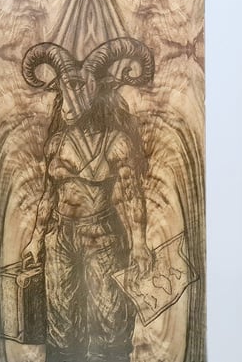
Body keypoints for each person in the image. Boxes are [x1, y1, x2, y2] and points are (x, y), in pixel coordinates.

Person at [20, 38, 154, 362]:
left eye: (80, 88)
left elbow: (131, 193)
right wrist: (36, 239)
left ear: (98, 91)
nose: (70, 101)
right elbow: (48, 195)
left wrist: (139, 243)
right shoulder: (57, 143)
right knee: (61, 323)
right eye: (66, 88)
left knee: (110, 322)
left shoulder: (117, 142)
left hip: (102, 236)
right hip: (59, 238)